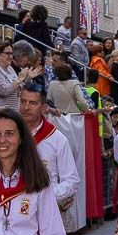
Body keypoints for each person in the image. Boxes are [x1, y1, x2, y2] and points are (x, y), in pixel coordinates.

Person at [18, 84, 80, 214]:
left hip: (46, 210)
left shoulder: (57, 139)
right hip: (13, 208)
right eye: (23, 102)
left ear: (44, 108)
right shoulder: (9, 135)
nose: (26, 107)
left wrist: (47, 196)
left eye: (33, 103)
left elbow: (71, 180)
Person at [0, 41, 24, 108]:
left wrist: (27, 78)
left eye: (11, 53)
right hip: (1, 113)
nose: (11, 56)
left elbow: (18, 87)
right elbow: (4, 91)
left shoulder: (10, 68)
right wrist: (19, 80)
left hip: (13, 111)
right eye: (7, 53)